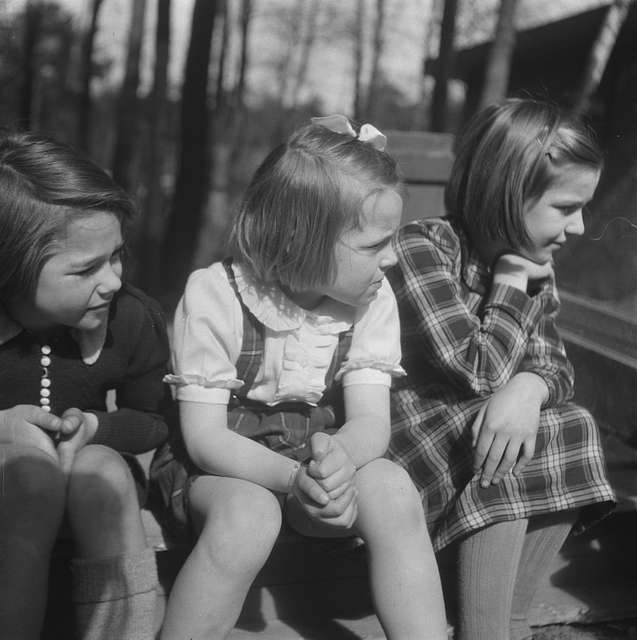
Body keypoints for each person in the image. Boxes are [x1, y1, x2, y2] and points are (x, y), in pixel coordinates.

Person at [149, 115, 448, 640]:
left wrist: (334, 466)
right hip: (223, 469)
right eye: (375, 244)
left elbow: (371, 425)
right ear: (299, 240)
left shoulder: (372, 302)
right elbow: (203, 438)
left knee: (394, 488)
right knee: (250, 516)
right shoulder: (217, 296)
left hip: (318, 463)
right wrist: (292, 480)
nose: (393, 258)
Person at [387, 97, 616, 640]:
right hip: (409, 447)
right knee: (506, 433)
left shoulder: (536, 262)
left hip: (478, 438)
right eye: (565, 207)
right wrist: (510, 282)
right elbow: (478, 370)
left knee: (571, 422)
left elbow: (555, 365)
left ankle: (504, 625)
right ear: (507, 194)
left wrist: (530, 389)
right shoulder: (423, 247)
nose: (580, 226)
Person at [0, 130, 172, 640]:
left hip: (92, 483)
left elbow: (154, 418)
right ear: (11, 268)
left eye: (116, 255)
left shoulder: (131, 319)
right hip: (13, 492)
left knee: (104, 475)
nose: (113, 280)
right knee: (30, 477)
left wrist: (97, 428)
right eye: (86, 268)